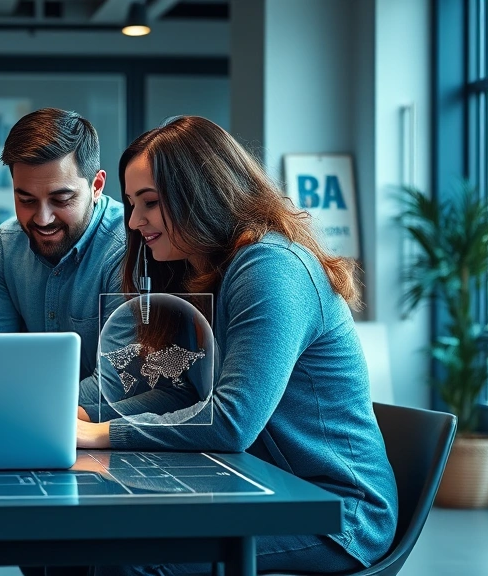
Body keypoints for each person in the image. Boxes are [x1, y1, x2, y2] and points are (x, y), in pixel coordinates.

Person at [74, 116, 398, 575]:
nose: (133, 221)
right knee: (108, 541)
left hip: (336, 512)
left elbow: (230, 421)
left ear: (199, 195)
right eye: (130, 204)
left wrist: (99, 435)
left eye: (149, 202)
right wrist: (91, 414)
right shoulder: (198, 269)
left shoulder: (271, 268)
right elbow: (187, 392)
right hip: (263, 483)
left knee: (134, 558)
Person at [0, 108, 180, 379]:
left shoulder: (129, 244)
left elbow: (119, 380)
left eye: (61, 200)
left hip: (85, 418)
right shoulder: (6, 244)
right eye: (26, 200)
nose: (43, 218)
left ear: (96, 186)